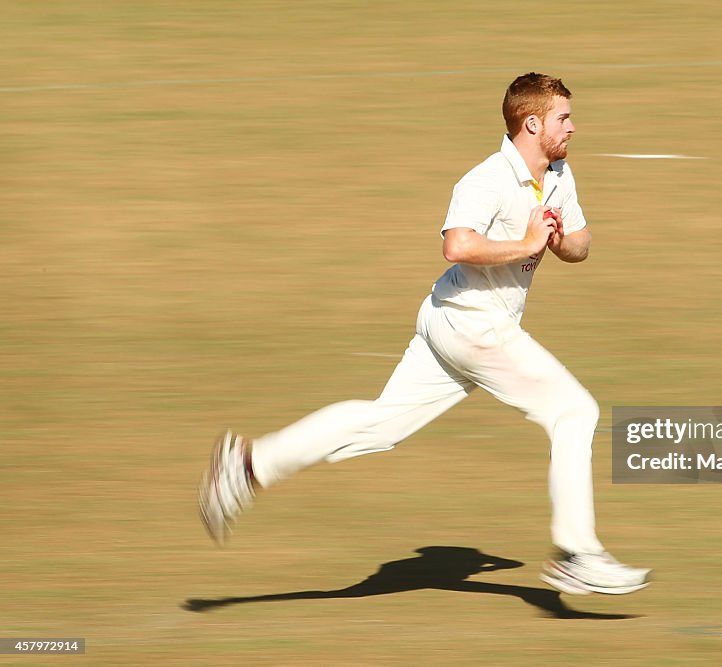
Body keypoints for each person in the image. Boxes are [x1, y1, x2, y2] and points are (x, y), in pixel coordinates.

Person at [199, 72, 650, 595]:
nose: (574, 127)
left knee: (381, 424)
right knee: (576, 411)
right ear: (532, 123)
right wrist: (527, 244)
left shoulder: (557, 173)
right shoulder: (484, 181)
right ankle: (578, 553)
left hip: (450, 320)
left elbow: (580, 243)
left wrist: (556, 242)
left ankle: (249, 465)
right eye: (563, 118)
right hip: (476, 325)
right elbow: (457, 246)